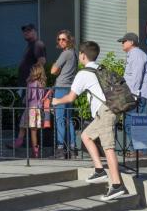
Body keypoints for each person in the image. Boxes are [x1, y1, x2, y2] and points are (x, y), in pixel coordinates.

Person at [51, 41, 129, 202]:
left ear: (83, 55)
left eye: (79, 53)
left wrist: (56, 101)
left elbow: (71, 97)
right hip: (108, 110)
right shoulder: (100, 68)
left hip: (105, 111)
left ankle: (116, 185)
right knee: (86, 136)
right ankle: (99, 170)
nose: (79, 55)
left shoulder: (83, 73)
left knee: (108, 148)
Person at [119, 32, 147, 153]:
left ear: (131, 42)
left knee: (137, 123)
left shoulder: (137, 54)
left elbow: (137, 76)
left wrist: (133, 95)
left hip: (138, 95)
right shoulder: (134, 54)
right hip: (137, 94)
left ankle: (141, 151)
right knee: (133, 123)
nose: (122, 44)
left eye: (124, 41)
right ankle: (137, 150)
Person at [8, 63, 48, 157]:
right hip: (37, 109)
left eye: (31, 72)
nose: (30, 73)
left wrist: (25, 96)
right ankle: (35, 150)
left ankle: (24, 145)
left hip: (31, 109)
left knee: (24, 127)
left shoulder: (31, 83)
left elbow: (30, 96)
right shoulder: (42, 84)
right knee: (31, 130)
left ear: (35, 73)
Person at [50, 29, 78, 157]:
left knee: (60, 119)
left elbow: (53, 70)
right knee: (68, 119)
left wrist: (56, 67)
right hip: (70, 88)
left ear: (69, 40)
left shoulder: (65, 53)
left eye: (63, 39)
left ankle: (61, 148)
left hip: (61, 88)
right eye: (59, 39)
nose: (61, 41)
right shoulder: (74, 53)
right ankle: (72, 148)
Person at [17, 23, 46, 94]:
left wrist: (30, 78)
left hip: (32, 85)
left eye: (28, 30)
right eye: (24, 31)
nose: (26, 32)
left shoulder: (38, 44)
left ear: (35, 32)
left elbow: (42, 62)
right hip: (27, 84)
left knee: (31, 105)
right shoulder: (30, 45)